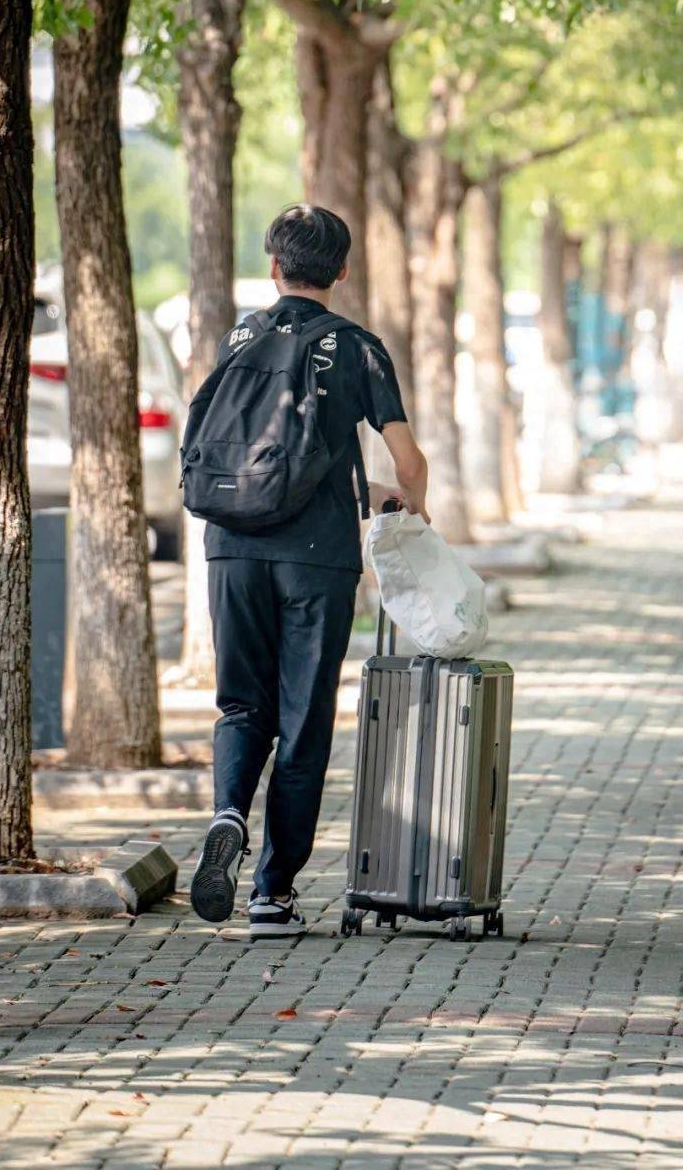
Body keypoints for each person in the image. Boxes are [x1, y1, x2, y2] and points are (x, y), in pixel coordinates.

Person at [189, 205, 428, 939]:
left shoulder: (242, 334)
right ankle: (272, 895)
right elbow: (406, 460)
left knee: (241, 706)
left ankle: (229, 809)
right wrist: (408, 508)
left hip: (231, 543)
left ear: (273, 265)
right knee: (303, 723)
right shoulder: (356, 348)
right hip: (316, 558)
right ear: (343, 271)